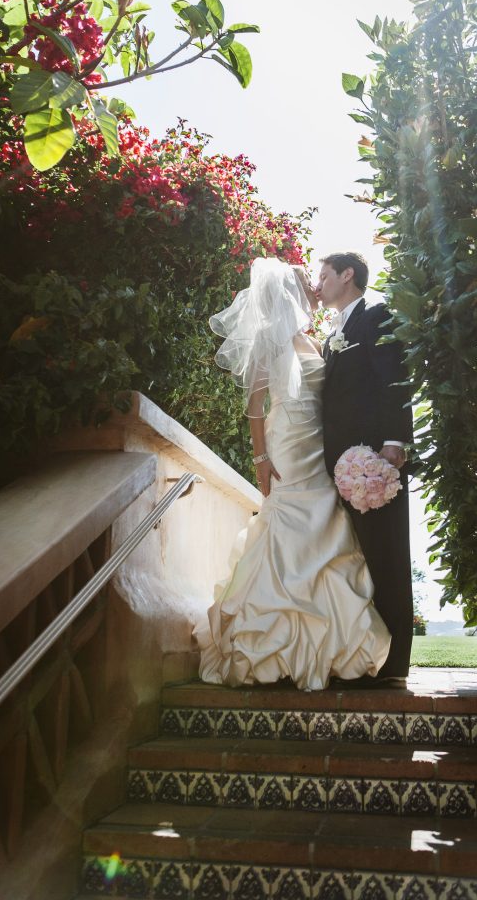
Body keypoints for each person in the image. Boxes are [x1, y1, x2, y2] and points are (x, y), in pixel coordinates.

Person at [194, 256, 391, 691]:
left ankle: (330, 648)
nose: (316, 289)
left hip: (318, 445)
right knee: (284, 523)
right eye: (309, 284)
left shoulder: (316, 339)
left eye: (318, 281)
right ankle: (269, 647)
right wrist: (261, 460)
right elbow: (254, 408)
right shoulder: (270, 340)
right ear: (290, 294)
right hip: (286, 442)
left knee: (325, 527)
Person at [316, 252, 413, 687]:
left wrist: (394, 442)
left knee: (386, 554)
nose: (318, 283)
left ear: (347, 275)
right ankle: (364, 654)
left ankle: (394, 664)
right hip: (339, 464)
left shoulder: (376, 315)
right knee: (357, 558)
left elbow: (394, 377)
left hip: (374, 461)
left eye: (324, 275)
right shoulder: (334, 330)